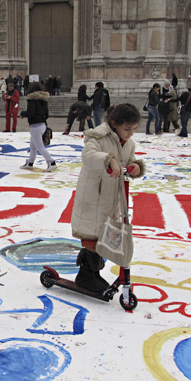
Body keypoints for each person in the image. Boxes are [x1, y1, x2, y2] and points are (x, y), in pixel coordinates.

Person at [71, 103, 145, 292]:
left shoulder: (128, 143)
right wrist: (108, 159)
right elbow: (88, 155)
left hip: (112, 197)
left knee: (104, 235)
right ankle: (86, 275)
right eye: (127, 129)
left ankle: (93, 273)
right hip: (94, 195)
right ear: (114, 124)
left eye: (134, 129)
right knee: (92, 235)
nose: (130, 133)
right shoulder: (98, 136)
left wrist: (135, 166)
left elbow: (129, 160)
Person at [19, 82, 57, 172]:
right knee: (33, 146)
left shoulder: (32, 100)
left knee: (39, 146)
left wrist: (22, 113)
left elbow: (30, 113)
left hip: (35, 126)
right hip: (42, 124)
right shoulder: (44, 100)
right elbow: (47, 115)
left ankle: (51, 162)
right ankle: (30, 163)